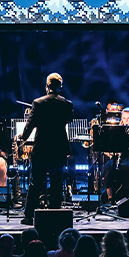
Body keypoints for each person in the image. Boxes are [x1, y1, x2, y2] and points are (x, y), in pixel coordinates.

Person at [21, 73, 74, 225]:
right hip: (59, 148)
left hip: (42, 147)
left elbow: (31, 123)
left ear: (47, 86)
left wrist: (23, 137)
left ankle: (29, 216)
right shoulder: (67, 104)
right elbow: (69, 120)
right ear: (60, 87)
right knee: (57, 182)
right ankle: (54, 216)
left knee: (35, 182)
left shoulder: (38, 103)